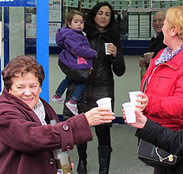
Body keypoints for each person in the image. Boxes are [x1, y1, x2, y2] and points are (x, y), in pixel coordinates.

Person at [0, 56, 115, 174]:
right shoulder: (3, 112)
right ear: (9, 89)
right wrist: (83, 121)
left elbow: (59, 149)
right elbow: (32, 138)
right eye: (20, 87)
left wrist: (64, 169)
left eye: (33, 86)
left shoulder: (43, 106)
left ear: (40, 88)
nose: (27, 93)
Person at [139, 6, 183, 174]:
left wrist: (148, 103)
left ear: (173, 30)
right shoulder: (163, 54)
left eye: (164, 23)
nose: (161, 26)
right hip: (164, 136)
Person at [63, 2, 125, 174]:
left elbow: (120, 71)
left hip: (103, 89)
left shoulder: (113, 37)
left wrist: (115, 55)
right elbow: (65, 60)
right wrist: (80, 75)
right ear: (94, 15)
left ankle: (103, 170)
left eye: (107, 14)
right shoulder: (81, 34)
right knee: (81, 127)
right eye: (100, 13)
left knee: (104, 131)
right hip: (81, 88)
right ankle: (82, 160)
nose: (103, 17)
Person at [51, 10, 97, 116]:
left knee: (68, 78)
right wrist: (93, 53)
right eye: (76, 22)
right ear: (69, 24)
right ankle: (73, 101)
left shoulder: (72, 34)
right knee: (83, 80)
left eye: (81, 22)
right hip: (76, 62)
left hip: (71, 61)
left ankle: (57, 95)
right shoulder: (73, 35)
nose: (80, 24)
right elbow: (79, 49)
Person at [139, 11, 167, 79]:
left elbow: (172, 58)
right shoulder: (154, 39)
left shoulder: (170, 40)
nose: (157, 23)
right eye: (154, 21)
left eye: (160, 20)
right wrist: (144, 61)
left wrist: (154, 57)